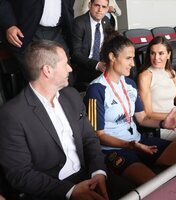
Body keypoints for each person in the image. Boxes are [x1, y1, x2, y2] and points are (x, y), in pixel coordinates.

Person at [0, 40, 109, 200]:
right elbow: (20, 174)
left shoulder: (71, 96)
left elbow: (89, 139)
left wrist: (99, 172)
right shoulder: (12, 115)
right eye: (66, 64)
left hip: (89, 175)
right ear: (48, 71)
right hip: (53, 189)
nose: (70, 69)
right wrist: (71, 191)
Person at [84, 33, 176, 187]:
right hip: (114, 150)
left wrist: (163, 123)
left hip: (139, 141)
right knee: (155, 186)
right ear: (112, 57)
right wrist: (129, 145)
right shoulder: (95, 89)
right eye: (128, 58)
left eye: (133, 58)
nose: (133, 64)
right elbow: (99, 135)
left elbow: (143, 118)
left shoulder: (129, 84)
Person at [138, 36, 176, 147]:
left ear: (169, 54)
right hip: (163, 124)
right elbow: (148, 113)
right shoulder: (145, 76)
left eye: (161, 53)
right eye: (153, 53)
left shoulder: (171, 73)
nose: (156, 58)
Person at [1, 0, 74, 65]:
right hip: (28, 31)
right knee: (40, 74)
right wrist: (9, 24)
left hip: (58, 32)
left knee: (65, 73)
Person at [71, 0, 112, 86]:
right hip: (83, 68)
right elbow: (75, 54)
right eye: (97, 5)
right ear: (90, 5)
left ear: (107, 9)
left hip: (102, 66)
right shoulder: (79, 23)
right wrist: (97, 64)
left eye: (104, 7)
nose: (100, 10)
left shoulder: (106, 21)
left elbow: (110, 45)